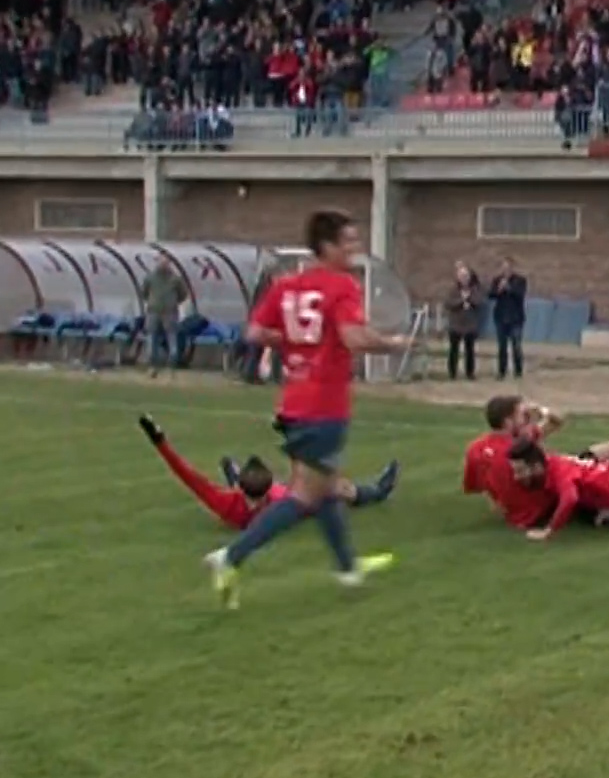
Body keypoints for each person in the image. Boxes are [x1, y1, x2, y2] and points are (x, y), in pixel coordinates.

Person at [202, 210, 408, 609]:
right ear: (327, 246)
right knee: (305, 496)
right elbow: (353, 338)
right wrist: (393, 343)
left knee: (326, 489)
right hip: (324, 407)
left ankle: (348, 568)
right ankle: (231, 557)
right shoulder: (341, 287)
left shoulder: (287, 285)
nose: (354, 249)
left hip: (294, 402)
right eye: (348, 242)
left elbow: (255, 333)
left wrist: (296, 343)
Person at [139, 414, 398, 529]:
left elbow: (188, 476)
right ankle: (377, 491)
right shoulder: (280, 503)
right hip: (290, 496)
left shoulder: (227, 504)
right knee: (335, 486)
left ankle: (234, 470)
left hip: (267, 495)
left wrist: (159, 441)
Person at [488, 257, 527, 380]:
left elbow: (520, 294)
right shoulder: (496, 280)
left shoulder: (520, 280)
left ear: (512, 268)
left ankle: (518, 371)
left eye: (508, 268)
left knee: (516, 345)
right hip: (501, 317)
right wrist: (499, 289)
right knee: (502, 346)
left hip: (516, 318)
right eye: (503, 268)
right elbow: (491, 295)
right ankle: (502, 371)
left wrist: (508, 287)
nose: (506, 270)